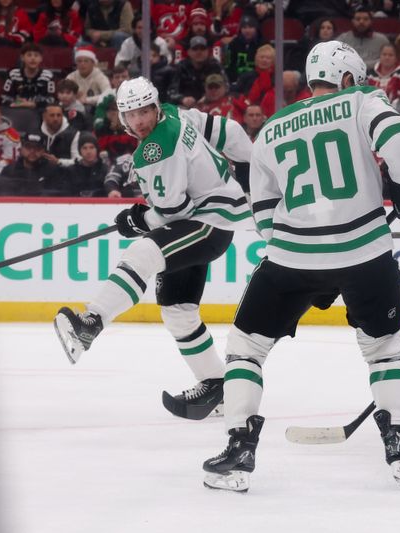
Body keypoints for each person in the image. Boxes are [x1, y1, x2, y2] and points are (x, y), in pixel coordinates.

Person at [201, 40, 400, 492]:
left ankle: (238, 446)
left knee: (246, 348)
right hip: (366, 251)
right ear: (347, 78)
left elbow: (264, 209)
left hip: (292, 257)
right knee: (384, 350)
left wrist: (295, 249)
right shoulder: (362, 100)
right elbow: (395, 136)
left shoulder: (271, 127)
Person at [53, 76, 254, 421]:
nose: (139, 121)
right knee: (177, 311)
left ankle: (91, 322)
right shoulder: (177, 114)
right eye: (131, 115)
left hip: (209, 223)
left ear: (155, 106)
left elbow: (174, 213)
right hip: (209, 217)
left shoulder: (154, 150)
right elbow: (231, 133)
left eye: (145, 111)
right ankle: (216, 384)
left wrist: (139, 220)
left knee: (142, 253)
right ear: (122, 116)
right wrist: (251, 172)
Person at [167, 36, 228, 109]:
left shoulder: (215, 66)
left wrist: (208, 97)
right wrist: (183, 99)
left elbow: (227, 87)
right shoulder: (181, 67)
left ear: (208, 51)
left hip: (212, 104)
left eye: (202, 49)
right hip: (187, 108)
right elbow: (171, 92)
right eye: (195, 49)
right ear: (188, 52)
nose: (199, 52)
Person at [0, 43, 56, 111]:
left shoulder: (48, 76)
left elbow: (51, 100)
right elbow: (4, 98)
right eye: (29, 55)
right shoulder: (13, 74)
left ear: (41, 58)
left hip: (39, 112)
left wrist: (33, 104)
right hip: (16, 110)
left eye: (36, 55)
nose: (33, 58)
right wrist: (19, 103)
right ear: (22, 57)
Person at [40, 103, 81, 168]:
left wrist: (58, 161)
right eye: (52, 115)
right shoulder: (38, 132)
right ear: (44, 117)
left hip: (65, 173)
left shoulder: (74, 134)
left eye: (59, 115)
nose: (56, 119)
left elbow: (78, 161)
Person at [68, 132, 108, 197]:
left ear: (97, 149)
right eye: (84, 148)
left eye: (92, 147)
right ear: (79, 150)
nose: (88, 152)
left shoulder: (105, 170)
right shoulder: (72, 170)